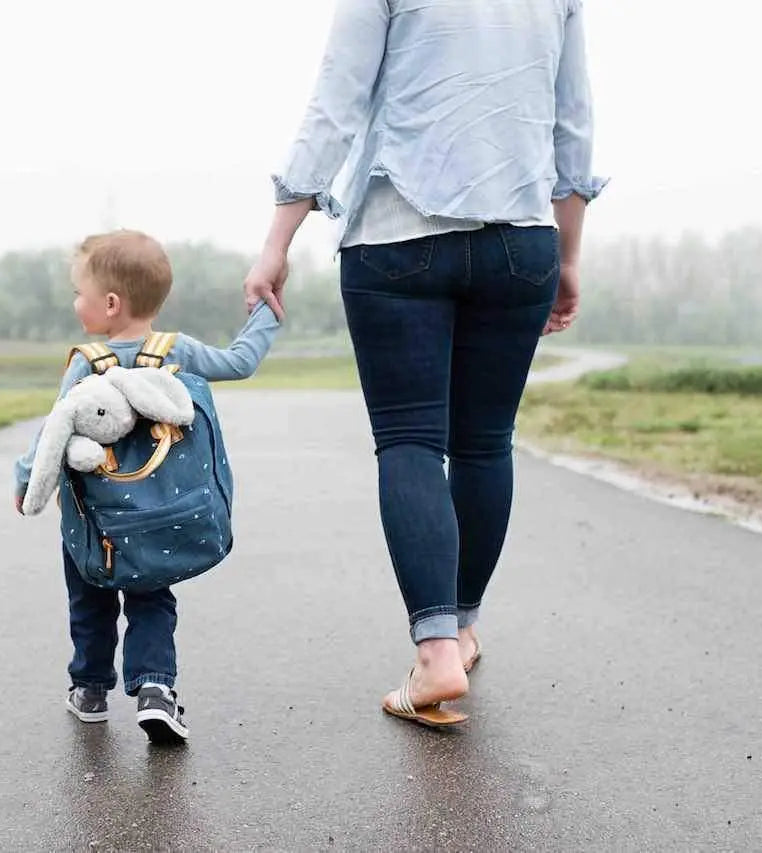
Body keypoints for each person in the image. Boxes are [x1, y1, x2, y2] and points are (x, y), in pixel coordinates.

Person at [244, 0, 606, 727]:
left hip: (394, 234)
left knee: (412, 440)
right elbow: (573, 125)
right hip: (521, 239)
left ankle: (436, 651)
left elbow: (337, 99)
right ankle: (463, 628)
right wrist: (567, 255)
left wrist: (278, 238)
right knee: (483, 443)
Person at [15, 229, 280, 743]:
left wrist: (26, 479)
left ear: (110, 304)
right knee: (152, 598)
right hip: (158, 517)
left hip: (94, 524)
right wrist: (266, 314)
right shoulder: (175, 350)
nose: (76, 303)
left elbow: (55, 428)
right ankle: (157, 690)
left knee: (89, 600)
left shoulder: (87, 363)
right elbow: (240, 362)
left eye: (80, 293)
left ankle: (90, 690)